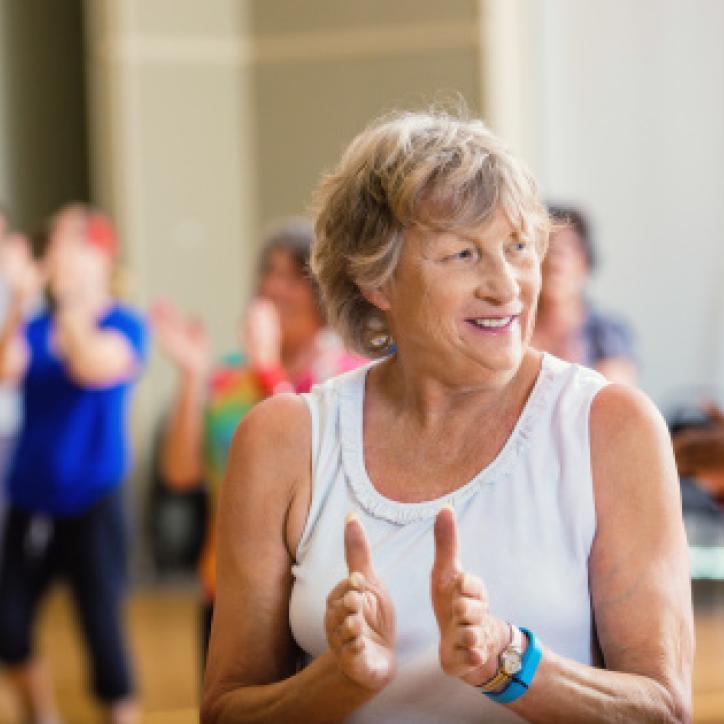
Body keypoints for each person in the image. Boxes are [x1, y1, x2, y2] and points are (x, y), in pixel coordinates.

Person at [201, 112, 693, 722]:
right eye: (463, 254)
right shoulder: (283, 440)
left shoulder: (611, 428)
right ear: (375, 279)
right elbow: (226, 709)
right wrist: (340, 679)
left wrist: (506, 663)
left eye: (518, 247)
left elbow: (662, 708)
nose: (506, 285)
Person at [152, 219, 366, 669]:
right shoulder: (229, 374)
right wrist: (192, 377)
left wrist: (268, 367)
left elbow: (316, 463)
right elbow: (180, 473)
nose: (274, 286)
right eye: (269, 273)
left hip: (314, 590)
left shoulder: (345, 374)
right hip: (225, 583)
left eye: (293, 277)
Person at [0, 204, 146, 724]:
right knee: (8, 625)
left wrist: (68, 300)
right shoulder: (36, 323)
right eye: (53, 240)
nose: (55, 251)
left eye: (70, 241)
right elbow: (6, 367)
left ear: (100, 255)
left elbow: (90, 364)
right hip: (30, 498)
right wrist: (19, 302)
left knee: (101, 630)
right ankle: (42, 715)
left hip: (94, 500)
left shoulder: (125, 322)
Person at [531, 205, 637, 384]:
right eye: (544, 249)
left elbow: (613, 394)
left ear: (584, 263)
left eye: (563, 252)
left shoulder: (607, 332)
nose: (553, 261)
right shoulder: (513, 327)